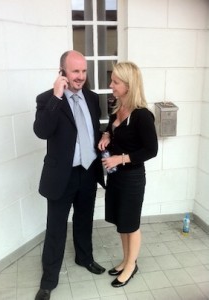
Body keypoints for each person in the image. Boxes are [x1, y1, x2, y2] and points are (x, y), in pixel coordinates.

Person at [33, 50, 106, 300]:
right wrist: (57, 96)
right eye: (75, 71)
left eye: (84, 71)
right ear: (62, 72)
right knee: (56, 227)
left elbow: (94, 131)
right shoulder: (47, 99)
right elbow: (41, 131)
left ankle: (85, 258)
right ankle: (48, 280)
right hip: (61, 176)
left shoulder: (93, 98)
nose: (81, 76)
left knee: (84, 220)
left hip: (88, 171)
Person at [98, 61, 158, 288]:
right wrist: (106, 135)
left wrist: (120, 158)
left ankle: (132, 266)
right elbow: (114, 129)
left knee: (131, 224)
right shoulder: (117, 106)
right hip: (116, 177)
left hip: (132, 178)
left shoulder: (143, 115)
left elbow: (151, 150)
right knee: (122, 222)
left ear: (129, 85)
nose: (111, 85)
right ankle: (126, 260)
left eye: (115, 82)